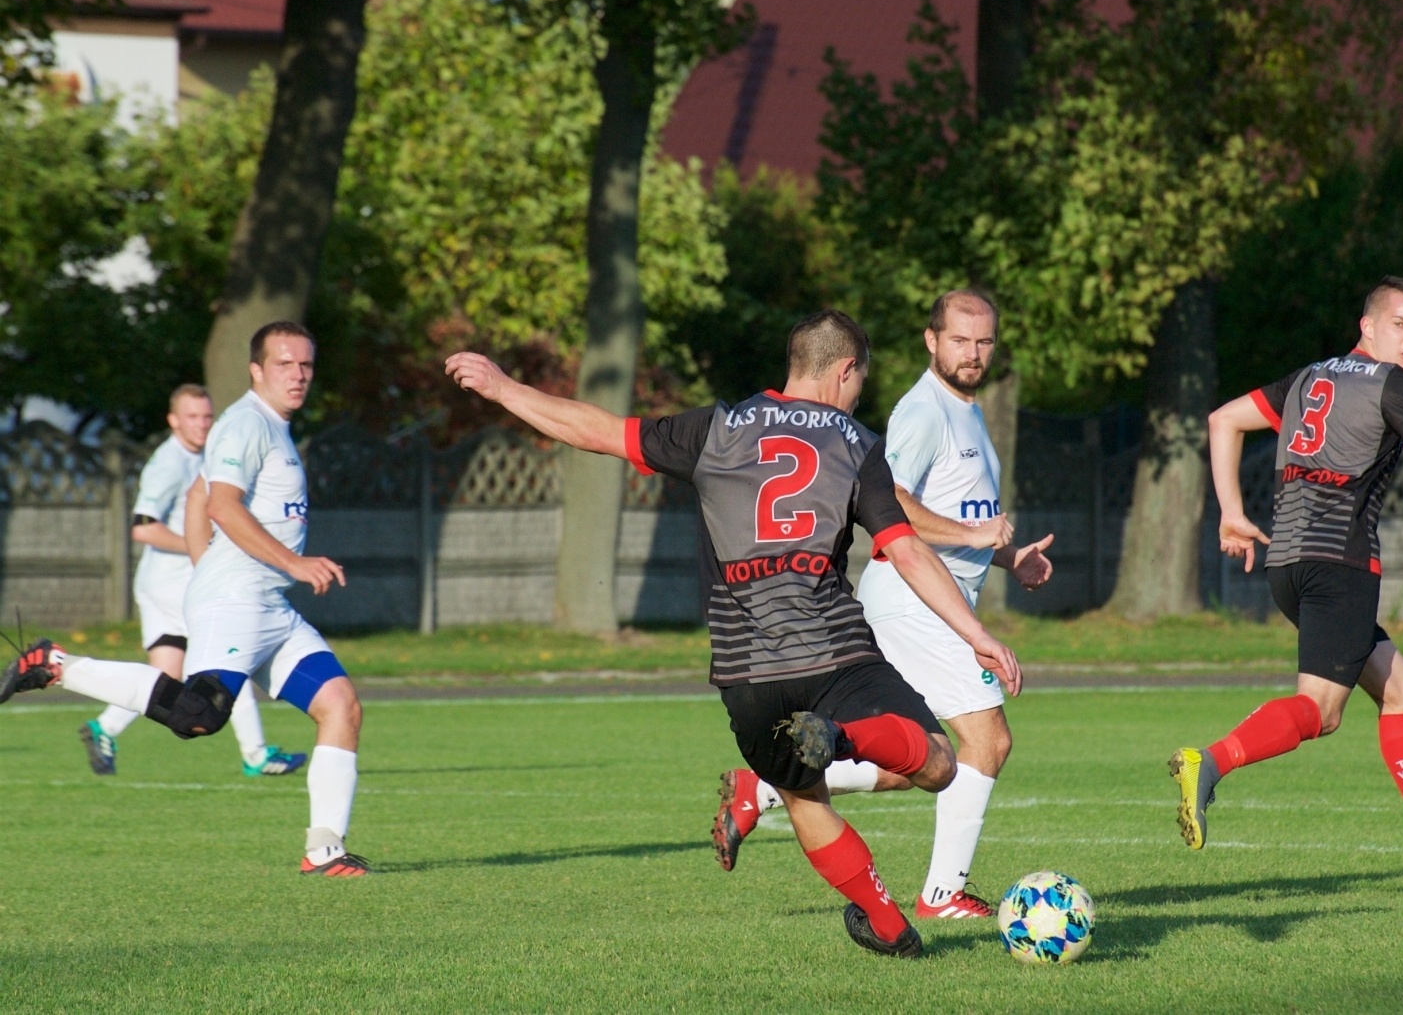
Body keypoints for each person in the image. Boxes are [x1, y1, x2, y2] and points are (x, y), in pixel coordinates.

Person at [445, 309, 1023, 957]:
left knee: (807, 800)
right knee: (940, 762)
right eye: (859, 380)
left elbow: (600, 431)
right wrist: (977, 633)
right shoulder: (855, 443)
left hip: (746, 675)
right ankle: (841, 737)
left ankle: (891, 930)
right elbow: (907, 551)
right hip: (833, 652)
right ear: (844, 370)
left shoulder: (714, 428)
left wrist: (502, 388)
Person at [712, 290, 1053, 920]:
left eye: (983, 343)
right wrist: (976, 538)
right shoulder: (924, 412)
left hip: (921, 601)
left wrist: (1007, 557)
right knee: (987, 740)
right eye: (959, 340)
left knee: (912, 759)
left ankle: (764, 786)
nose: (972, 353)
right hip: (910, 601)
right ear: (931, 341)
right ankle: (941, 896)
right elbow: (886, 501)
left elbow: (958, 517)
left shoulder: (966, 412)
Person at [1171, 276, 1403, 885]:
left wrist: (1231, 511)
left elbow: (1223, 419)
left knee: (1398, 687)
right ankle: (1210, 761)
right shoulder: (1391, 386)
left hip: (1287, 567)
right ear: (1368, 325)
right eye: (1401, 324)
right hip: (1342, 567)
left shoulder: (1307, 378)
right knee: (1322, 713)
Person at [1, 322, 369, 876]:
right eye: (284, 364)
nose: (298, 376)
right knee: (197, 717)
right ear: (256, 370)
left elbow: (201, 497)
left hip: (270, 607)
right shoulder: (247, 423)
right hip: (238, 604)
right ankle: (57, 666)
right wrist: (287, 563)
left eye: (306, 366)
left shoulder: (271, 427)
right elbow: (222, 504)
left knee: (339, 705)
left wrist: (206, 561)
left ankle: (324, 850)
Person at [78, 383, 306, 778]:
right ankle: (256, 754)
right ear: (172, 421)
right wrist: (202, 544)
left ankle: (106, 726)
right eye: (192, 417)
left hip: (169, 583)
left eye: (206, 416)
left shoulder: (205, 454)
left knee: (169, 673)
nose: (201, 424)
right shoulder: (169, 461)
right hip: (173, 583)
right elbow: (143, 528)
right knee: (235, 658)